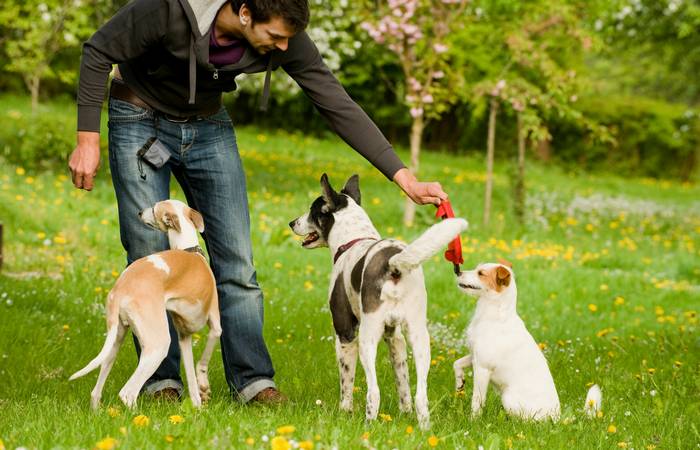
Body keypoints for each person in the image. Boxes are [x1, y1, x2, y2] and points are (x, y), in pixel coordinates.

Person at [68, 0, 448, 404]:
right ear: (245, 12)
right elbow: (98, 50)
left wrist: (402, 176)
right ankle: (162, 382)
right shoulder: (167, 10)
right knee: (148, 250)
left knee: (237, 259)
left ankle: (252, 381)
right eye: (277, 37)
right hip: (138, 115)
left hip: (208, 124)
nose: (284, 48)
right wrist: (87, 138)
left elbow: (333, 99)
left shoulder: (284, 34)